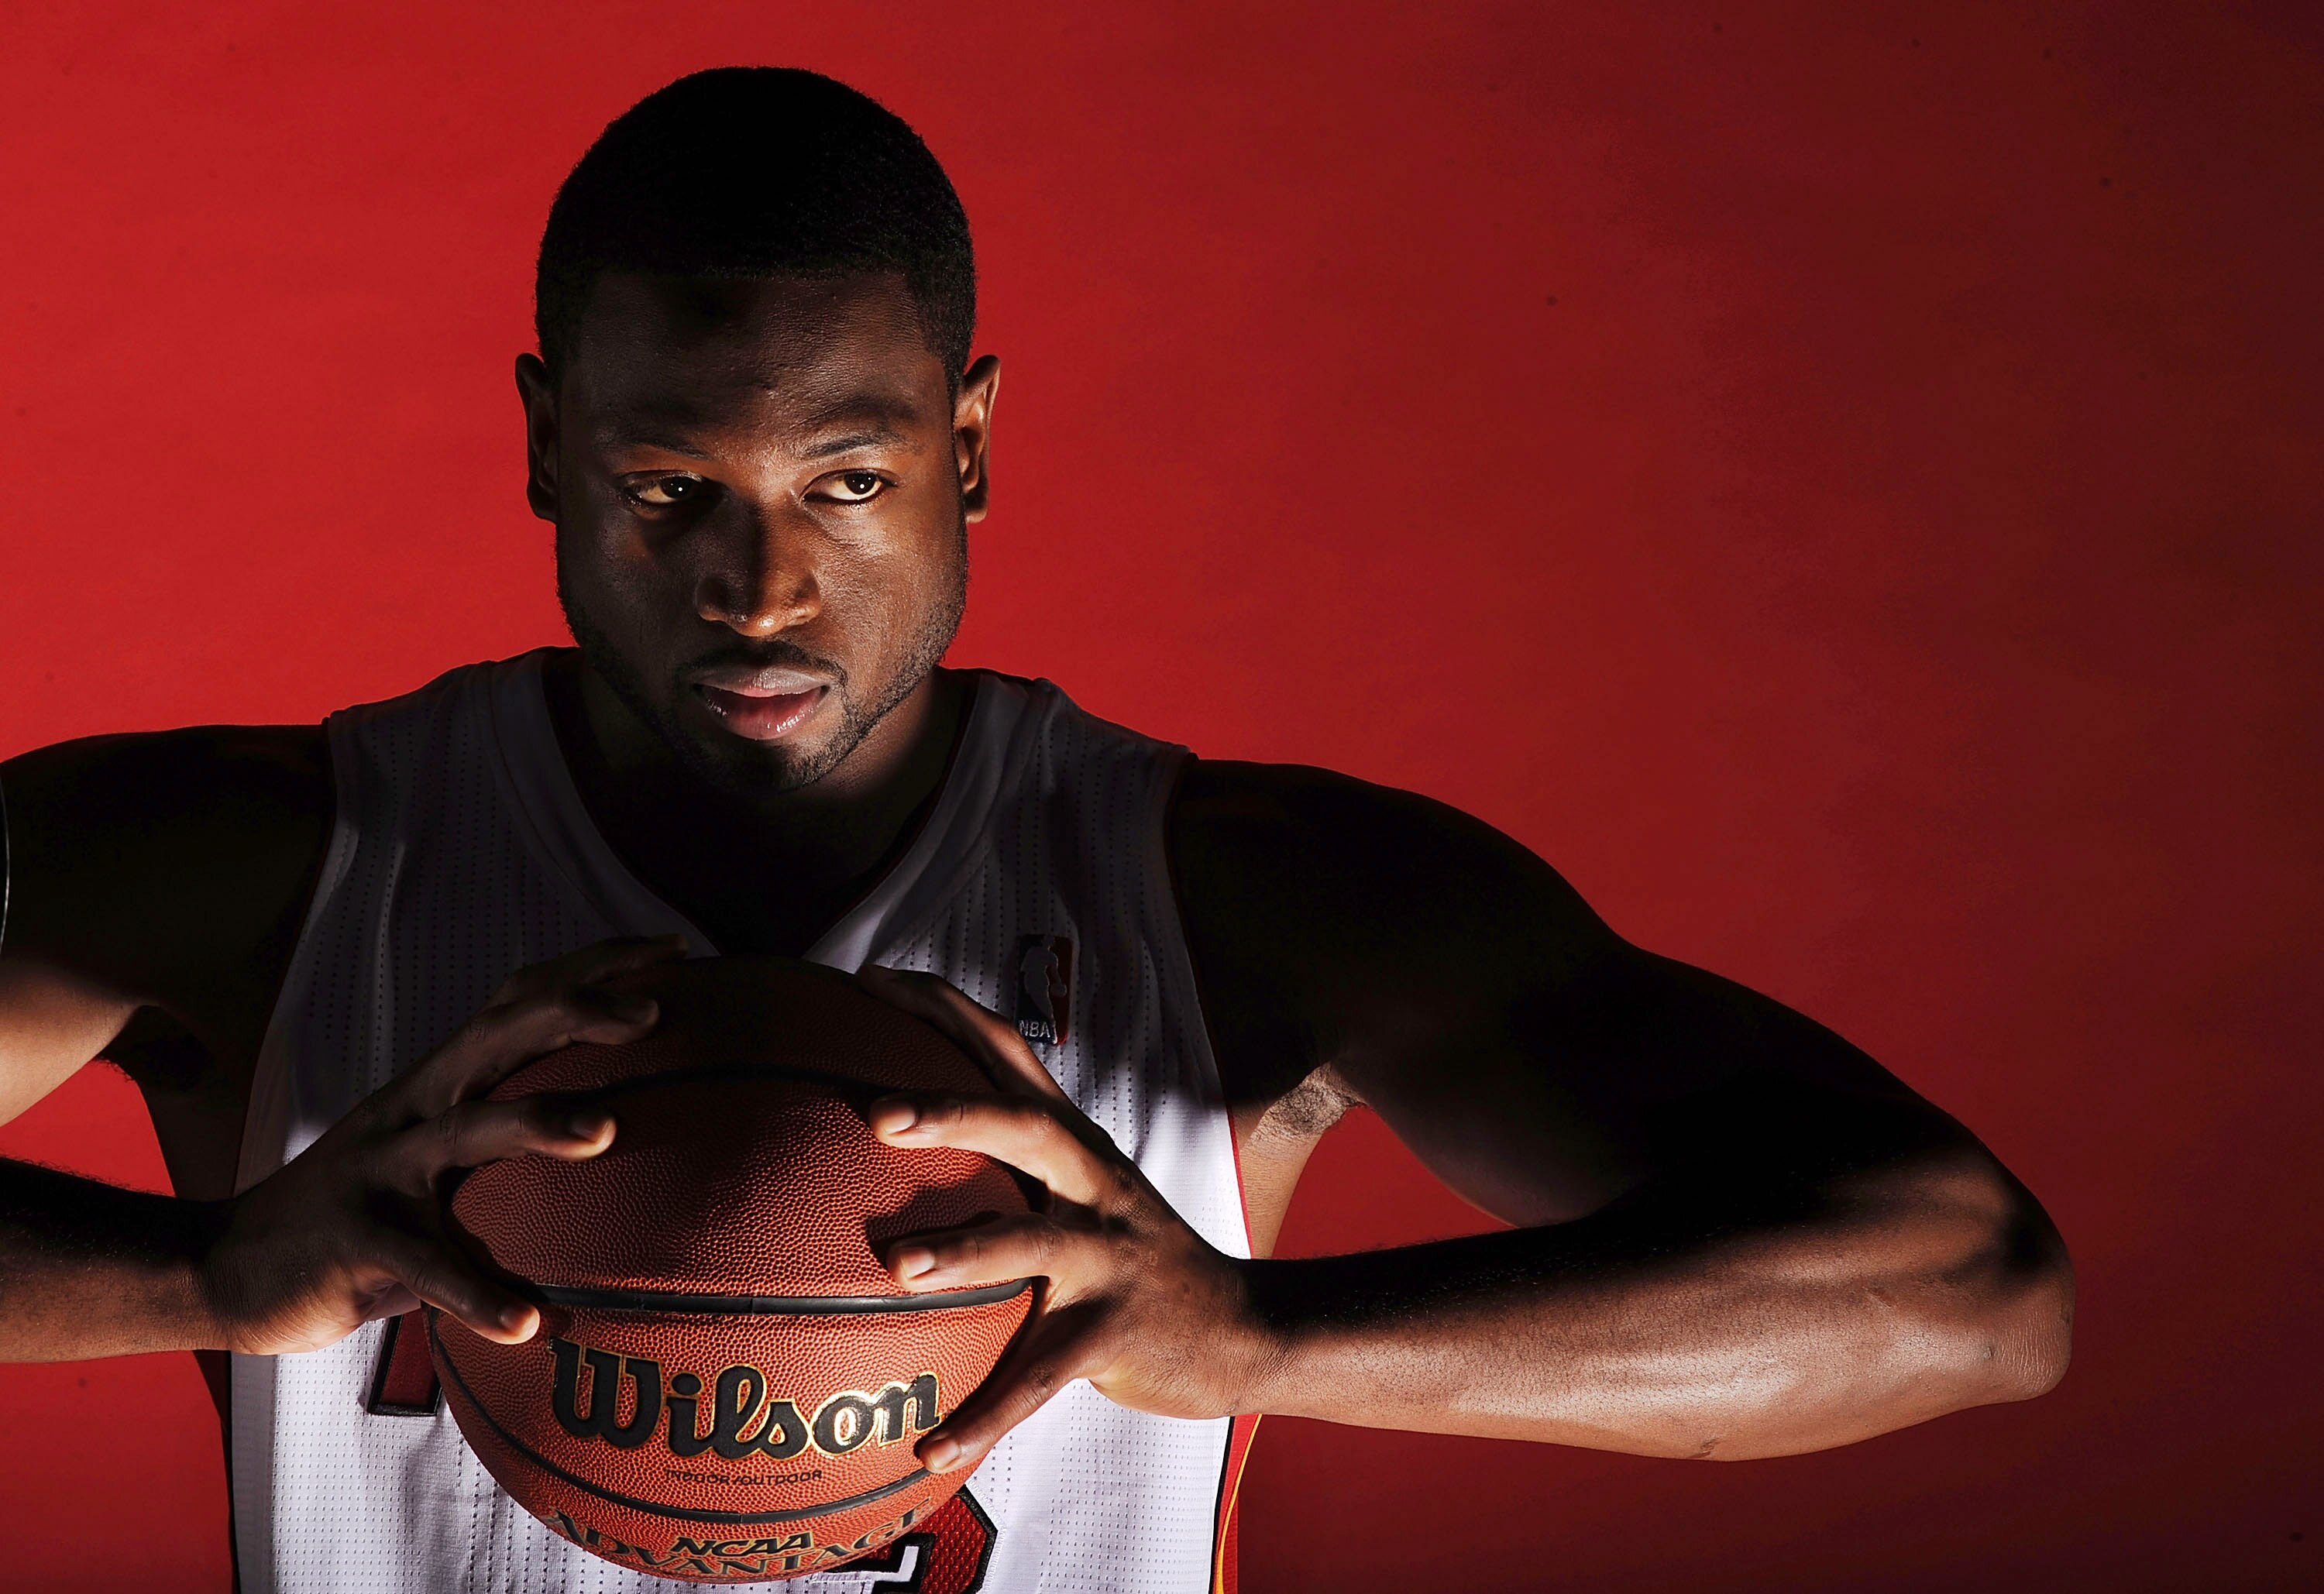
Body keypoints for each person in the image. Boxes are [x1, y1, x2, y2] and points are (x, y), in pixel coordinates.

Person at [0, 66, 2071, 1594]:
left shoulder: (1240, 907)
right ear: (544, 446)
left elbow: (1970, 1286)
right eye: (663, 488)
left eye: (847, 479)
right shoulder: (264, 865)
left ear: (968, 448)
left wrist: (1256, 1340)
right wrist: (202, 1269)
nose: (758, 587)